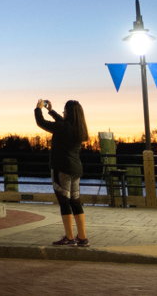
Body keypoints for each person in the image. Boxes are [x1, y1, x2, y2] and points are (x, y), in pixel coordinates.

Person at [35, 99, 90, 247]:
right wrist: (51, 111)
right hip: (76, 170)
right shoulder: (79, 128)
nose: (63, 112)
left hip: (62, 169)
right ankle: (83, 238)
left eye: (65, 110)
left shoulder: (63, 127)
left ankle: (70, 237)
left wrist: (38, 109)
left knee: (64, 203)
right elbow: (62, 123)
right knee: (76, 202)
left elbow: (41, 123)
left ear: (69, 113)